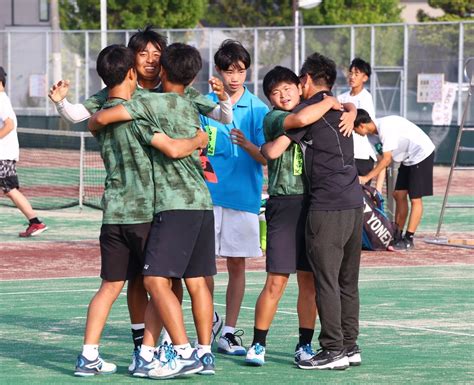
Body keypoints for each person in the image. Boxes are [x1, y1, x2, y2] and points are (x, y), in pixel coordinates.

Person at [48, 26, 231, 367]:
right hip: (154, 207)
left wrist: (222, 101)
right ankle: (149, 348)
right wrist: (65, 106)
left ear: (165, 63)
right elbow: (85, 116)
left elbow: (219, 115)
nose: (150, 59)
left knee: (165, 280)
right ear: (131, 63)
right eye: (143, 53)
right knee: (142, 280)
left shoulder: (168, 92)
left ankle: (166, 347)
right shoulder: (120, 95)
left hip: (158, 207)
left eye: (155, 53)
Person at [89, 43, 225, 379]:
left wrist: (96, 119)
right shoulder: (191, 104)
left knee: (153, 280)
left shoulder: (147, 102)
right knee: (196, 282)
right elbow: (222, 116)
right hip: (202, 203)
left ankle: (181, 351)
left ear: (161, 70)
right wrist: (200, 139)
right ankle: (195, 353)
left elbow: (104, 116)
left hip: (172, 205)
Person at [245, 66, 356, 366]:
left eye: (287, 89)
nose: (283, 96)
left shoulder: (314, 111)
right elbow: (299, 122)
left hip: (314, 204)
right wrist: (332, 102)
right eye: (275, 93)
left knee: (309, 282)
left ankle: (305, 344)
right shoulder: (277, 118)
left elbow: (339, 112)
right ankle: (258, 343)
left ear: (300, 85)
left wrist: (351, 108)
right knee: (276, 280)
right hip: (284, 204)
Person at [285, 53, 364, 370]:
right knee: (347, 281)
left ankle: (332, 350)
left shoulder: (310, 110)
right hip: (354, 204)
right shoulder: (341, 110)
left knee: (327, 281)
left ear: (305, 80)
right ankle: (349, 345)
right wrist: (343, 105)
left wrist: (336, 103)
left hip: (327, 207)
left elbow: (295, 123)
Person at [200, 39, 268, 356]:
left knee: (237, 265)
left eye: (240, 70)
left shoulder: (258, 109)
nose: (235, 77)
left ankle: (228, 331)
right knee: (202, 266)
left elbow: (267, 156)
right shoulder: (205, 104)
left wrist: (247, 146)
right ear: (218, 71)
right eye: (229, 70)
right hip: (207, 197)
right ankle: (208, 319)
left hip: (243, 198)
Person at [354, 109, 435, 250]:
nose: (354, 133)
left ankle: (409, 239)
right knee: (398, 194)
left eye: (354, 129)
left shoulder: (385, 128)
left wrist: (366, 178)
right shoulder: (371, 137)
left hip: (422, 154)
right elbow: (381, 162)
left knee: (415, 199)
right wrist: (377, 190)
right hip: (408, 158)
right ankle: (397, 235)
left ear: (361, 125)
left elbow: (386, 160)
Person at [0, 66, 48, 237]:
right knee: (9, 189)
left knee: (10, 189)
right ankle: (35, 222)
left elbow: (9, 125)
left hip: (3, 155)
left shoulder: (0, 100)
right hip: (5, 154)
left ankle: (35, 222)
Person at [338, 58, 385, 192]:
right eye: (350, 73)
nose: (352, 77)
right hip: (346, 154)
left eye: (356, 73)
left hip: (363, 156)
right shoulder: (341, 98)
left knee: (361, 195)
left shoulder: (366, 98)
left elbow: (366, 125)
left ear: (365, 78)